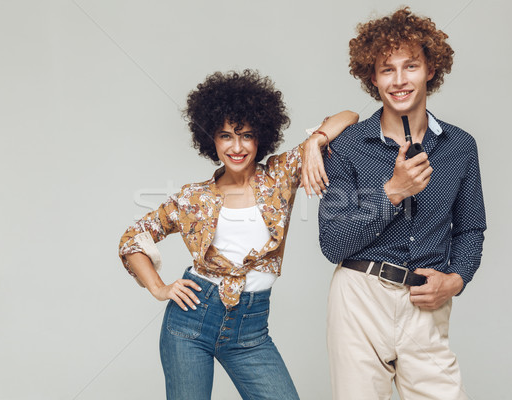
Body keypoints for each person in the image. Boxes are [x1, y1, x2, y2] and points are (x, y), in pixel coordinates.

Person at [118, 69, 358, 400]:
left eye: (246, 135)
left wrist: (315, 141)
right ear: (211, 140)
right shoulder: (193, 198)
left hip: (250, 331)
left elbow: (349, 116)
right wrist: (159, 288)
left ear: (260, 137)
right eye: (226, 136)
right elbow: (133, 238)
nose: (237, 146)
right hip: (189, 325)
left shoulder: (279, 176)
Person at [318, 7, 487, 400]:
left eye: (410, 66)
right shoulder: (346, 146)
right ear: (372, 78)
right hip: (359, 298)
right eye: (386, 69)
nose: (399, 81)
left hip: (426, 301)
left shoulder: (460, 147)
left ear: (430, 69)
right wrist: (393, 191)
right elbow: (332, 244)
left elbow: (471, 228)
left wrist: (456, 279)